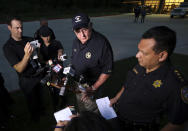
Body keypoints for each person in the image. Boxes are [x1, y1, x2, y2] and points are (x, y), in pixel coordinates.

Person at [110, 26, 188, 131]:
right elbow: (127, 85)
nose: (137, 55)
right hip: (118, 119)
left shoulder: (175, 84)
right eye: (138, 50)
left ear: (162, 56)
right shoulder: (141, 65)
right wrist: (116, 98)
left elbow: (177, 123)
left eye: (144, 53)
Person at [3, 17, 45, 121]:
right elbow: (19, 69)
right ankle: (35, 119)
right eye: (17, 28)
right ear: (9, 28)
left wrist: (39, 50)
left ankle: (42, 112)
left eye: (21, 27)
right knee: (32, 101)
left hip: (37, 74)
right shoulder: (8, 47)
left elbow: (40, 58)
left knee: (40, 97)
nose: (20, 31)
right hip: (26, 79)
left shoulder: (29, 39)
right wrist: (27, 55)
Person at [71, 13, 113, 112]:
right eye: (78, 31)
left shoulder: (101, 43)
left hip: (93, 87)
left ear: (91, 25)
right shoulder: (76, 41)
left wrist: (93, 88)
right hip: (79, 84)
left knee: (94, 111)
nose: (82, 35)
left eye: (84, 29)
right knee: (82, 109)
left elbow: (107, 70)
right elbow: (74, 61)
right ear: (74, 31)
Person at [38, 25, 65, 111]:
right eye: (45, 36)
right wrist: (47, 63)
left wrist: (60, 54)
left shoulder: (56, 42)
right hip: (47, 71)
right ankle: (55, 103)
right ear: (41, 36)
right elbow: (40, 60)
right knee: (50, 87)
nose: (47, 38)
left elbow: (60, 50)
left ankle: (63, 100)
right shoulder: (40, 47)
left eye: (48, 35)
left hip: (58, 68)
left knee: (60, 86)